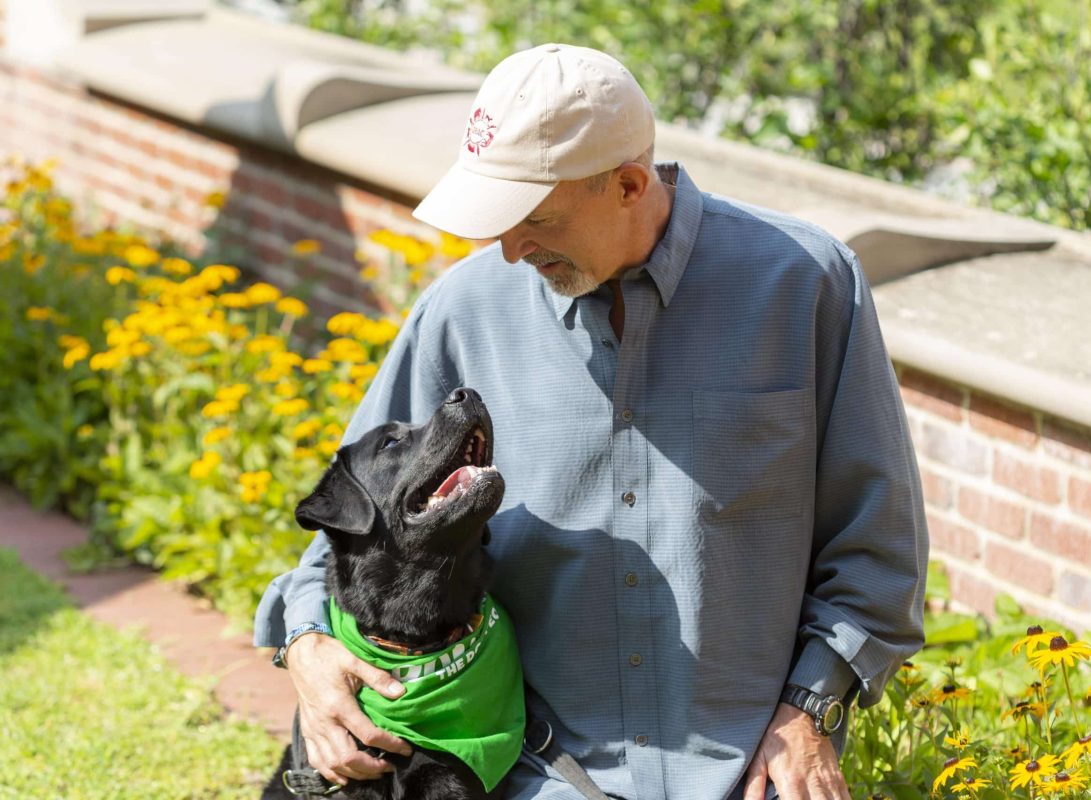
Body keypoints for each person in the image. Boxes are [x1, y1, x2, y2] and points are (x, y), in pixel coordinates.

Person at [254, 43, 928, 800]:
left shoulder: (807, 286)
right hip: (534, 773)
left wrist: (810, 708)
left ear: (630, 184)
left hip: (753, 773)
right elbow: (359, 519)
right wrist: (306, 638)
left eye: (532, 218)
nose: (509, 250)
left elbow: (877, 551)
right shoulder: (463, 311)